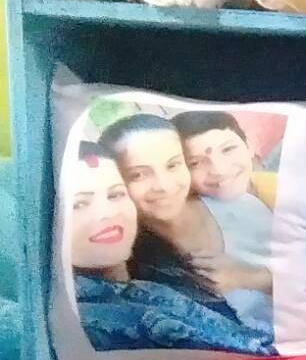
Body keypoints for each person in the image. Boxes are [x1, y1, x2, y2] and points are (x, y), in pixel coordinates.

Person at [66, 143, 274, 356]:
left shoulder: (158, 270)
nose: (107, 213)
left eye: (115, 195)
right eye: (78, 204)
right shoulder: (89, 322)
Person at [99, 112, 273, 330]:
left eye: (173, 165)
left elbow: (305, 280)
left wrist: (249, 277)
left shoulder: (239, 206)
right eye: (138, 175)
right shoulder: (131, 265)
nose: (164, 185)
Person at [173, 111, 276, 328]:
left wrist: (248, 277)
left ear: (249, 146)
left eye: (228, 149)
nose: (218, 169)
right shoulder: (197, 218)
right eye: (195, 163)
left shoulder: (282, 189)